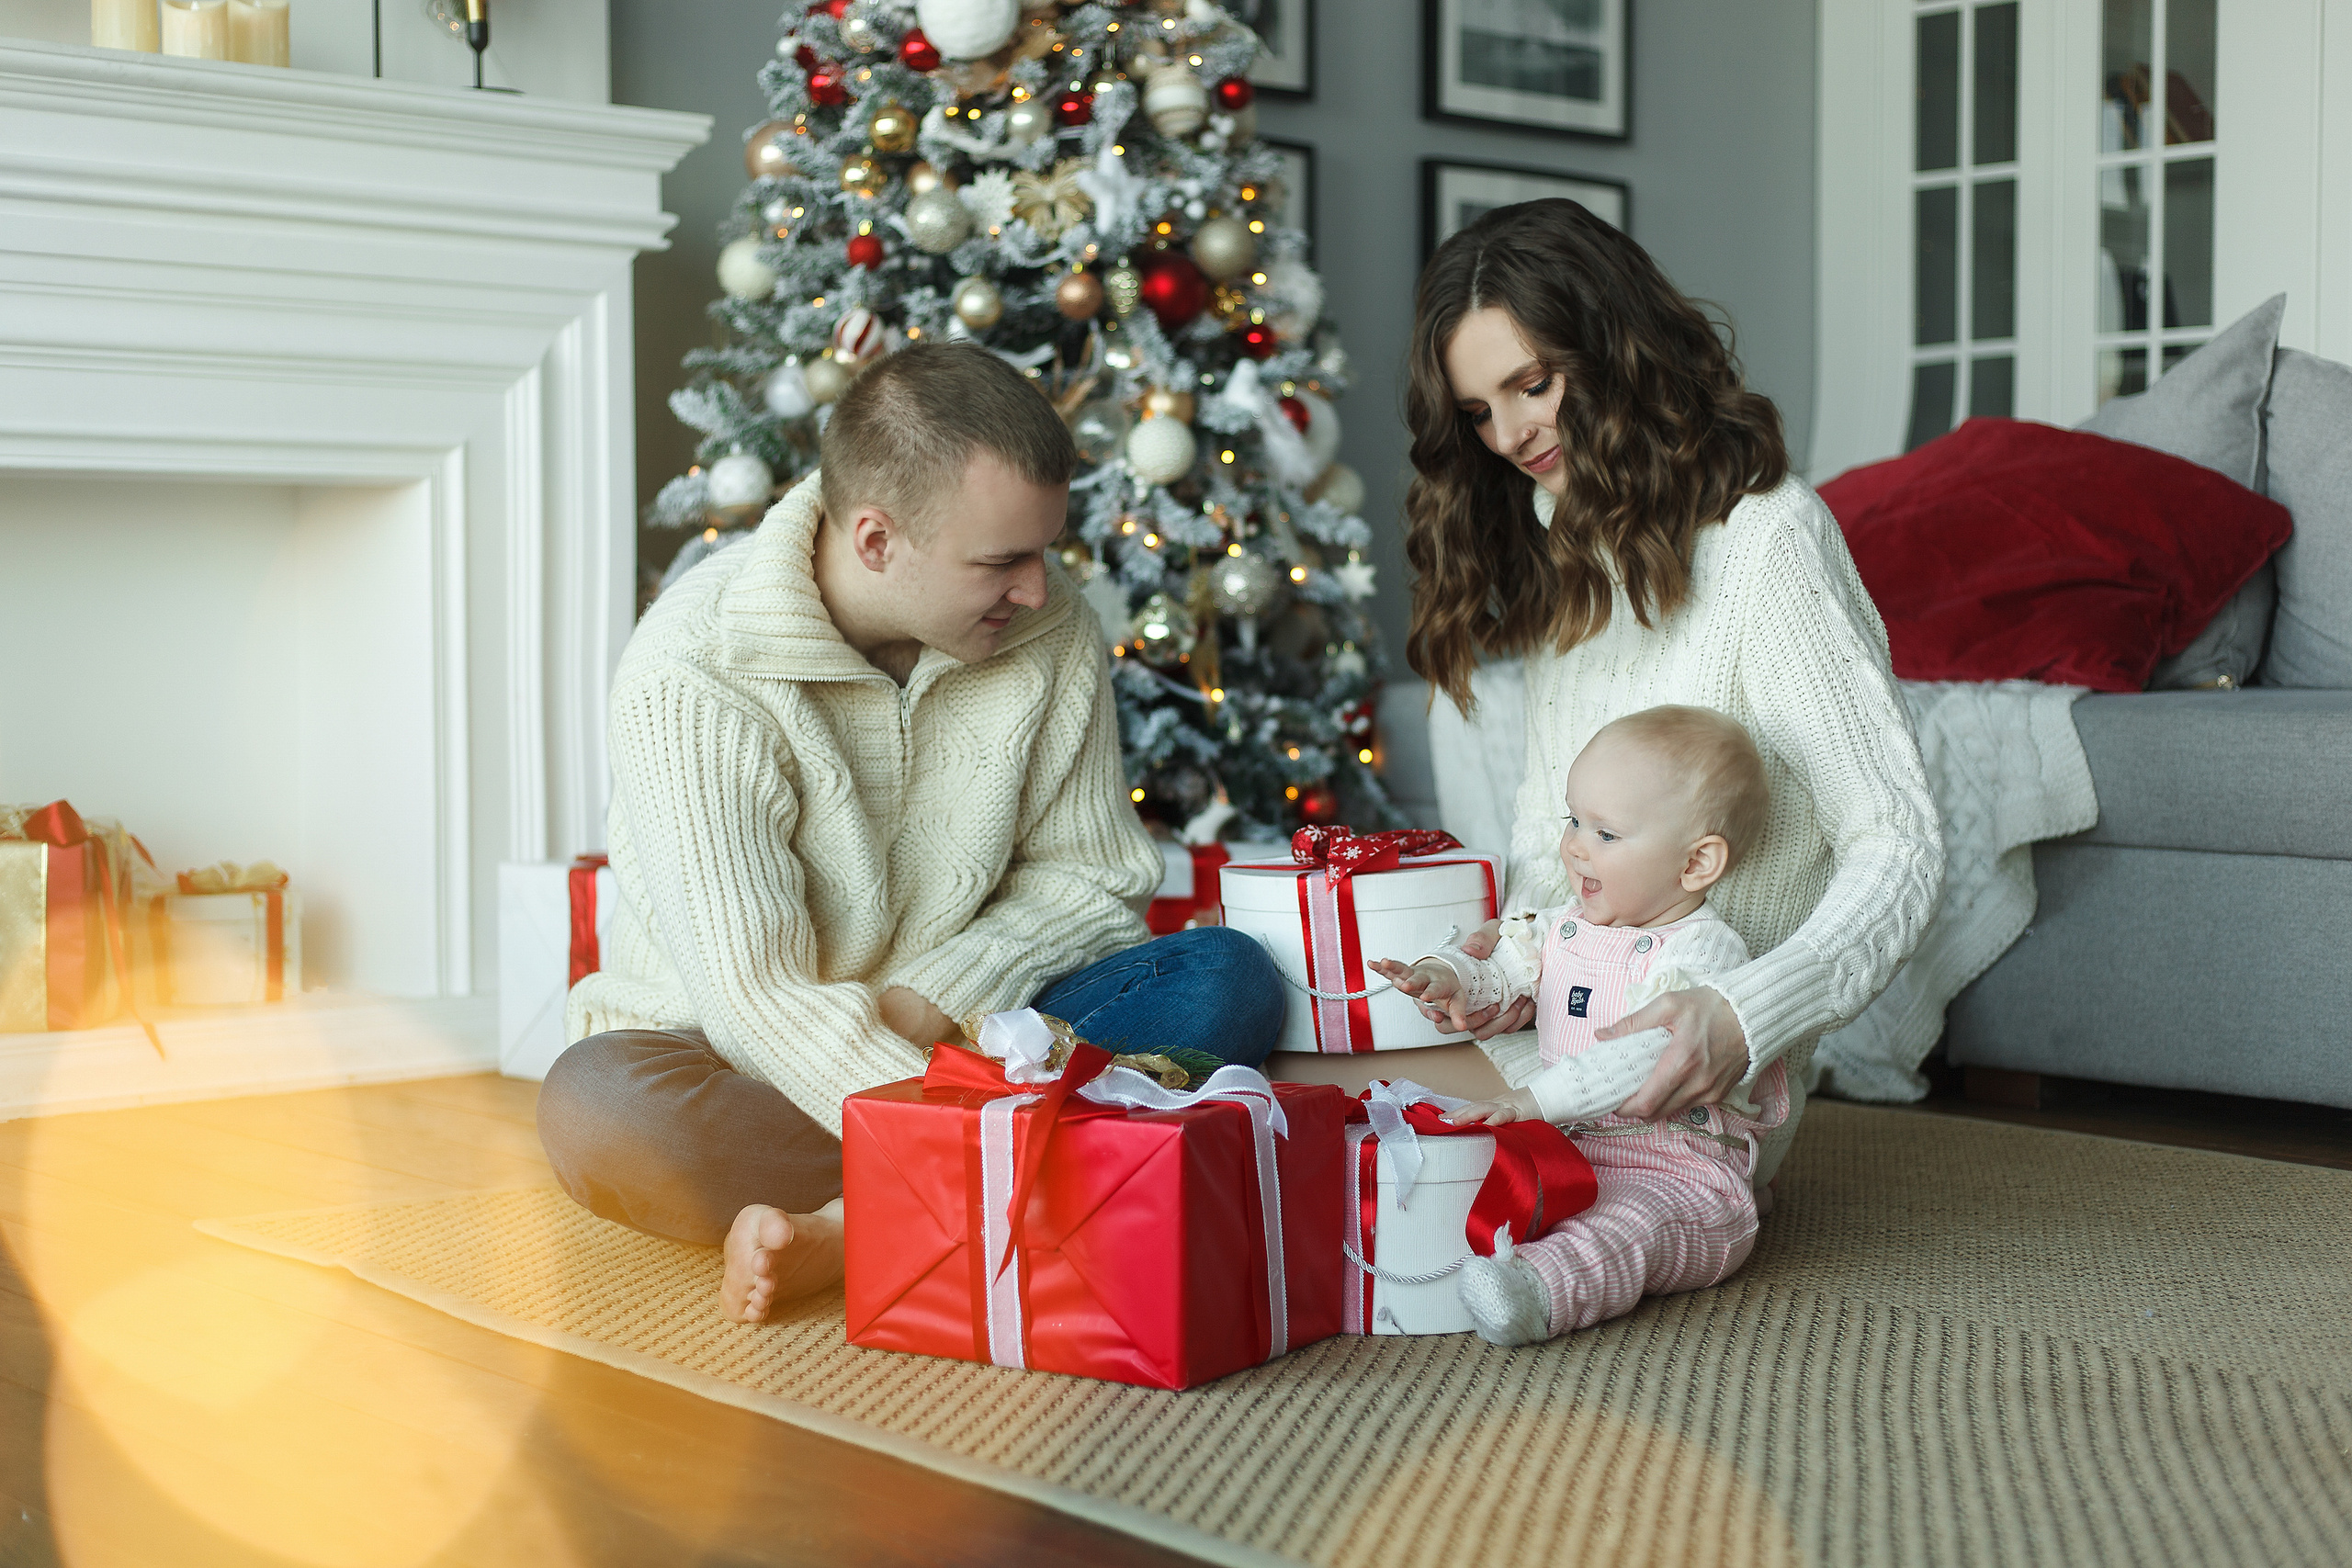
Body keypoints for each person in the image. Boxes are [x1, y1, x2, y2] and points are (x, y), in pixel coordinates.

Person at [538, 344, 1284, 1324]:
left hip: (981, 1029)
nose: (1037, 589)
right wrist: (950, 1117)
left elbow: (1094, 880)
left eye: (1043, 551)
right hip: (743, 1054)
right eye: (1001, 561)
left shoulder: (1050, 627)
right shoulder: (692, 669)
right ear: (876, 539)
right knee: (602, 1106)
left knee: (1228, 978)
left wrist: (938, 995)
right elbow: (756, 995)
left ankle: (864, 1227)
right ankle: (1039, 1182)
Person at [1399, 198, 1944, 1338]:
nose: (1510, 434)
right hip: (1563, 1040)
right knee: (1319, 1067)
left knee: (1375, 1126)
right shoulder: (1572, 549)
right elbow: (1549, 862)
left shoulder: (1767, 540)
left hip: (1691, 1088)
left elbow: (1898, 843)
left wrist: (1743, 1015)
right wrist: (1494, 967)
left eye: (1532, 385)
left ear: (1614, 347)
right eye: (1479, 411)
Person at [1372, 705, 1777, 1345]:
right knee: (1464, 1177)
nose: (1575, 846)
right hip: (1570, 1148)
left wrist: (1531, 1101)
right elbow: (1506, 966)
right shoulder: (1566, 926)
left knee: (1630, 1228)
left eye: (1606, 833)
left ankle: (1541, 1290)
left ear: (1696, 863)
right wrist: (1451, 975)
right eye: (1574, 820)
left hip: (1673, 1170)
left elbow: (1643, 1057)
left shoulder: (1703, 953)